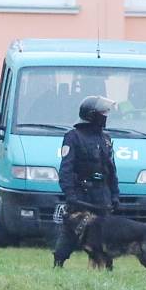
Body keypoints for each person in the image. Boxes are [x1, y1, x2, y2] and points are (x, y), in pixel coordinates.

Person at [54, 96, 120, 268]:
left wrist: (115, 194)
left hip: (102, 196)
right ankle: (58, 263)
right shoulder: (73, 137)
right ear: (92, 115)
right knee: (70, 232)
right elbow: (66, 170)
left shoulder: (105, 139)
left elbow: (111, 170)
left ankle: (106, 268)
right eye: (102, 113)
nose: (106, 116)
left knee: (104, 234)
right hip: (80, 195)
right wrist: (70, 195)